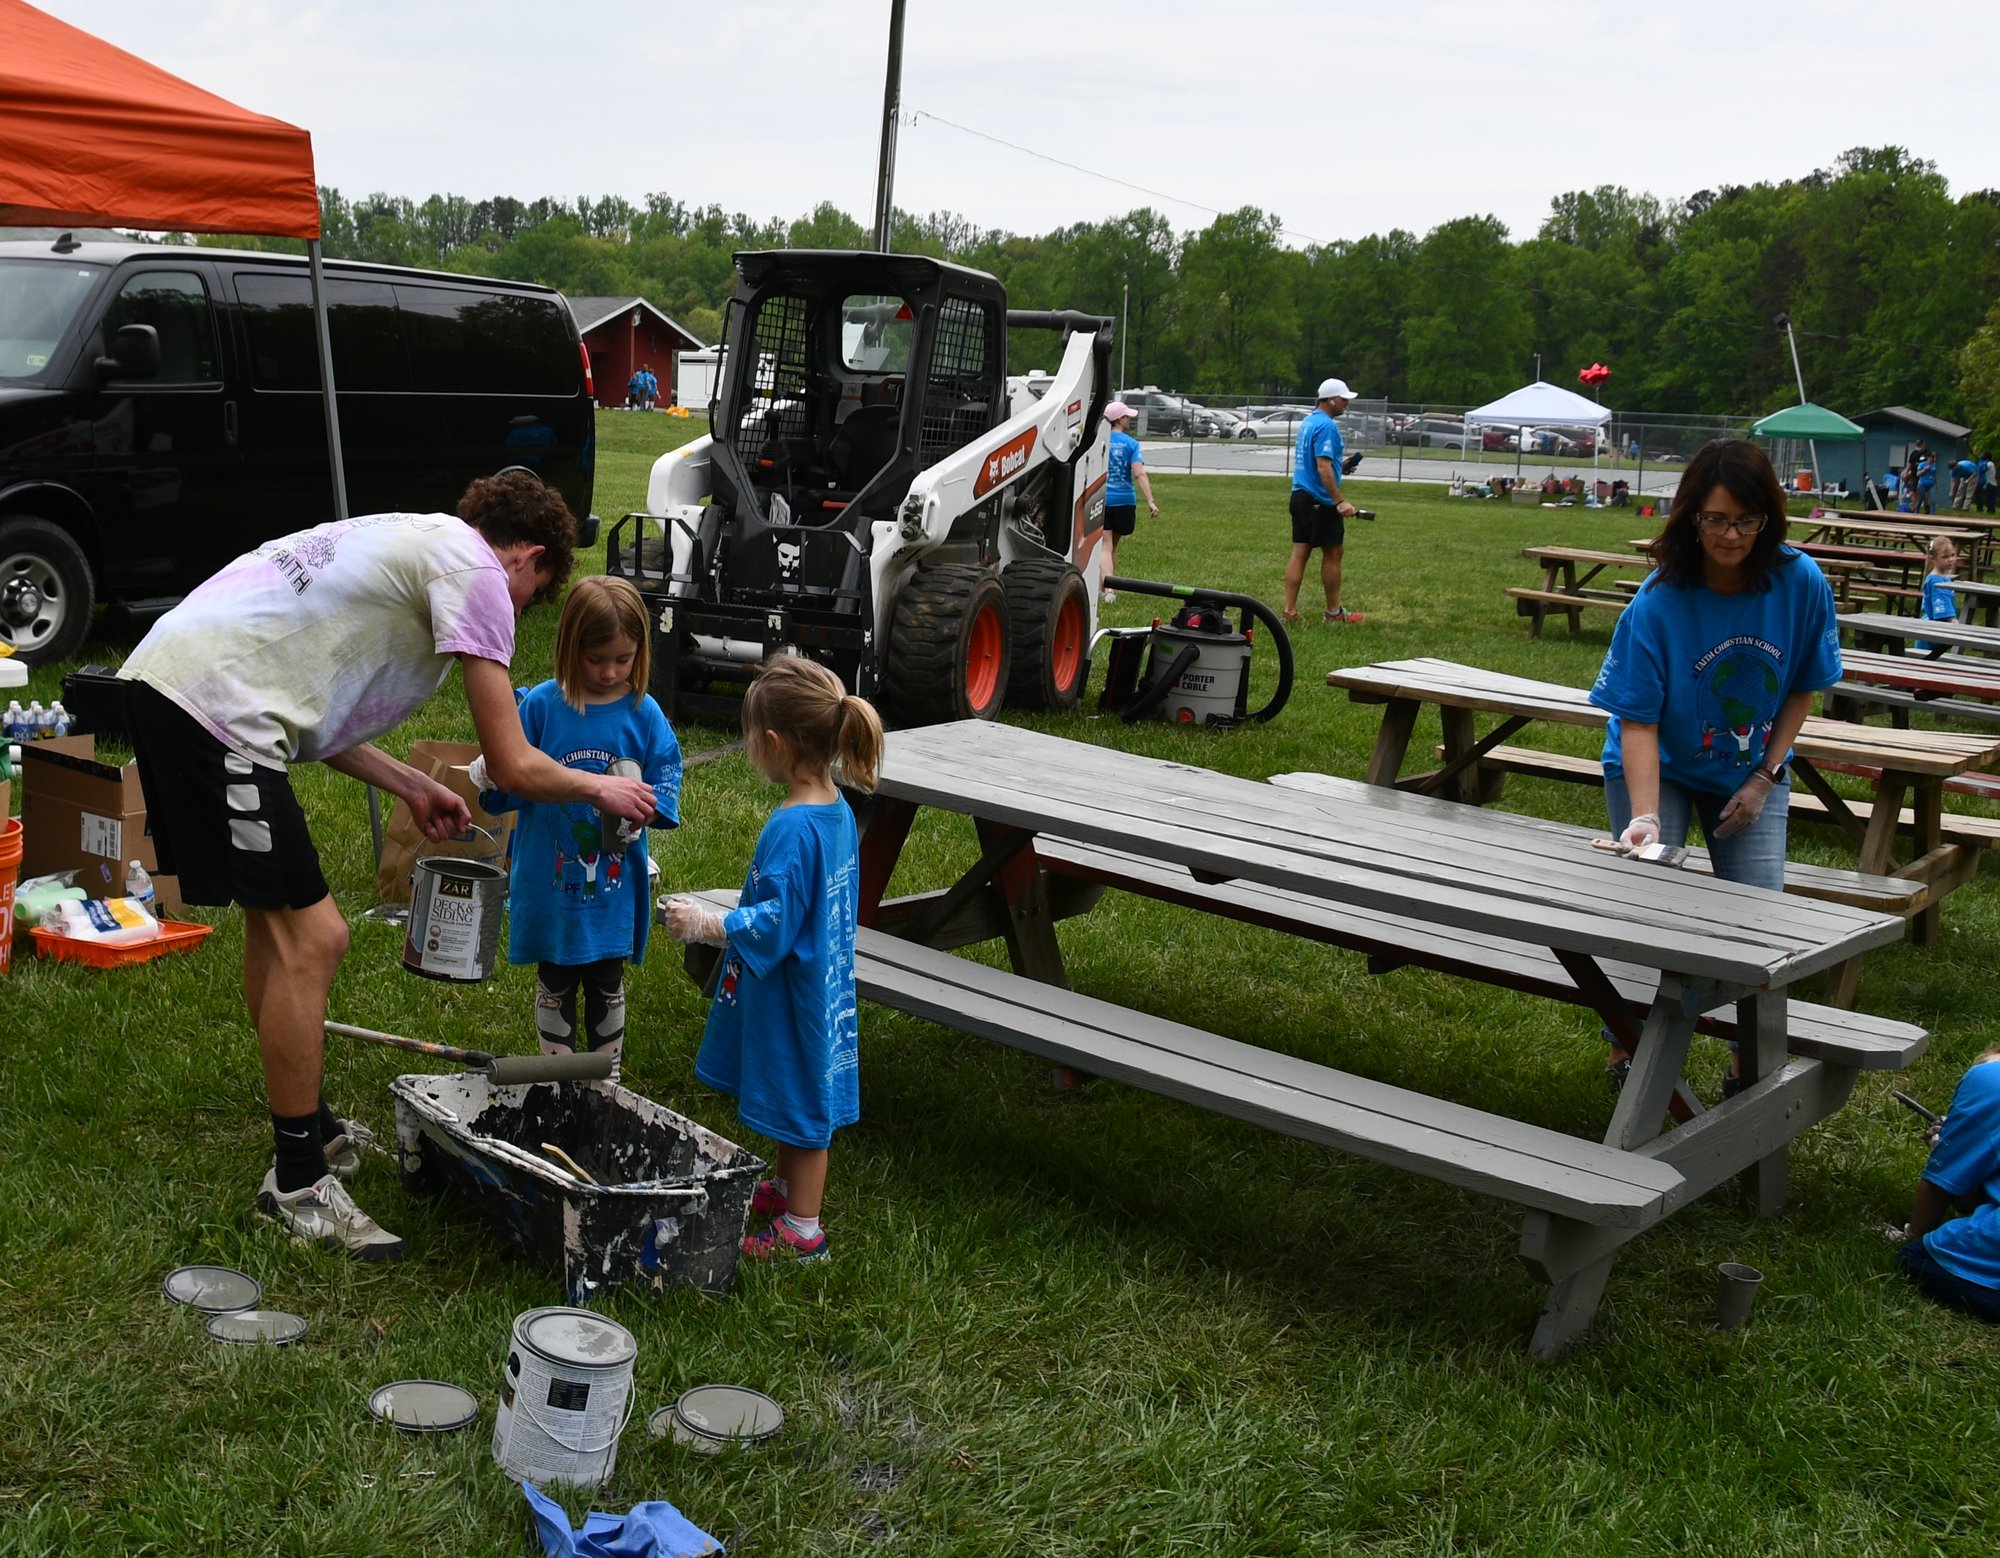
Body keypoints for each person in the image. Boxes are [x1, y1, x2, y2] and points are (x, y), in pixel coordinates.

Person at [117, 473, 659, 1260]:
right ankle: (297, 1182)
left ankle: (313, 1130)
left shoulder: (416, 540)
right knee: (317, 938)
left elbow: (316, 715)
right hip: (211, 709)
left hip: (182, 688)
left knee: (281, 930)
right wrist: (602, 783)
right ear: (529, 557)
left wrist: (411, 782)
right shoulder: (476, 573)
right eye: (534, 594)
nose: (518, 614)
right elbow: (509, 763)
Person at [1587, 438, 1842, 1091]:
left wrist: (1764, 776)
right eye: (1716, 519)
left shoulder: (1800, 582)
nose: (1731, 535)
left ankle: (1746, 1064)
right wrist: (1644, 818)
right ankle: (1628, 1053)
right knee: (1648, 912)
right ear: (1691, 518)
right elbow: (1637, 720)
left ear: (1769, 519)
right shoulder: (1659, 601)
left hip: (1749, 768)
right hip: (1658, 765)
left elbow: (1801, 687)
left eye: (1746, 520)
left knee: (1757, 923)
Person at [660, 657, 884, 1264]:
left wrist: (709, 922)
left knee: (805, 1105)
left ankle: (803, 1231)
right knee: (794, 1094)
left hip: (795, 993)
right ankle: (786, 1194)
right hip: (820, 980)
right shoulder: (835, 809)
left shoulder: (793, 827)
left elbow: (777, 921)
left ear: (774, 742)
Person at [479, 576, 682, 1083]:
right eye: (597, 659)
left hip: (614, 891)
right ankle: (560, 1077)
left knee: (607, 980)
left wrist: (649, 809)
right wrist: (488, 777)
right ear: (571, 648)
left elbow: (666, 778)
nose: (611, 672)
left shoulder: (644, 714)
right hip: (549, 889)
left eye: (624, 658)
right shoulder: (543, 707)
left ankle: (603, 1081)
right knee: (556, 979)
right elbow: (507, 780)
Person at [1896, 1047, 2000, 1324]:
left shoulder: (1989, 1077)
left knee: (1914, 1257)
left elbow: (1943, 1186)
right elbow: (1970, 1201)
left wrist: (1948, 1151)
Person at [1284, 376, 1364, 625]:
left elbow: (1319, 462)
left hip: (1299, 496)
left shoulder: (1309, 422)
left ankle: (1289, 611)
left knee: (1299, 553)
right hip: (1319, 500)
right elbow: (1322, 466)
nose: (1346, 404)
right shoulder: (1327, 426)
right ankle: (1333, 613)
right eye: (1343, 399)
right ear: (1330, 399)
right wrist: (1339, 501)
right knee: (1333, 552)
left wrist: (1342, 466)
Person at [1098, 401, 1157, 602]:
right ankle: (1109, 590)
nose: (1130, 420)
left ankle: (1105, 589)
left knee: (1105, 546)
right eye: (1127, 417)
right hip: (1125, 500)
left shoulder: (1099, 442)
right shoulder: (1131, 444)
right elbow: (1139, 473)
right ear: (1120, 419)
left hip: (1104, 498)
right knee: (1112, 545)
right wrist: (1150, 500)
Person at [1916, 536, 1960, 653]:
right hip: (1933, 630)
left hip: (1931, 628)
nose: (1950, 559)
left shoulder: (1940, 578)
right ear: (1933, 559)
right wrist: (1952, 620)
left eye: (1952, 555)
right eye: (1945, 557)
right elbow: (1941, 607)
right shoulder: (1937, 581)